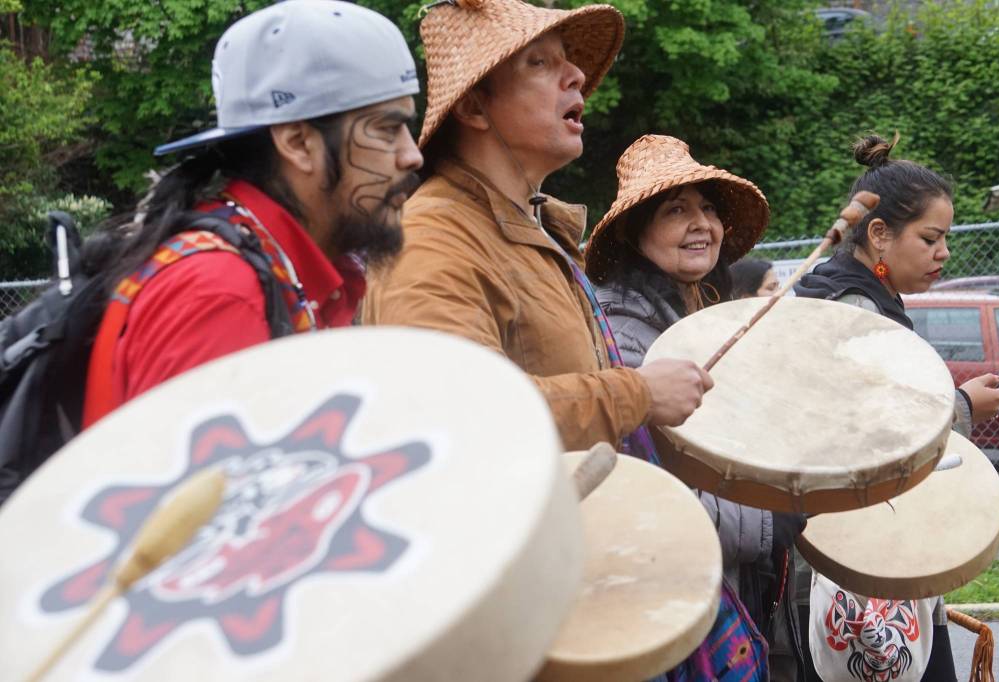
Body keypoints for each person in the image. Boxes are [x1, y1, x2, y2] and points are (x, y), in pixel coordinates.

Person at [362, 0, 712, 456]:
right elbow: (453, 412)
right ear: (473, 107)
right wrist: (637, 394)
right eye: (540, 62)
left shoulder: (540, 228)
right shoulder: (433, 238)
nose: (577, 76)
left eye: (566, 57)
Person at [79, 0, 423, 424]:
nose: (412, 154)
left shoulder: (274, 270)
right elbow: (210, 489)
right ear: (297, 143)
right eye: (387, 130)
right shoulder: (219, 292)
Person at [584, 134, 806, 681]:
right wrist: (766, 522)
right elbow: (648, 488)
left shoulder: (707, 315)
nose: (701, 223)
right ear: (637, 233)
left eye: (708, 207)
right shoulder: (624, 338)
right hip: (673, 589)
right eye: (675, 210)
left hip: (728, 576)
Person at [794, 134, 999, 682]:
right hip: (859, 554)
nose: (944, 253)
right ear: (878, 233)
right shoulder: (856, 310)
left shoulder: (841, 294)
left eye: (946, 238)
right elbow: (869, 434)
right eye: (931, 238)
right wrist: (963, 407)